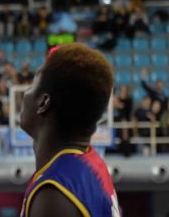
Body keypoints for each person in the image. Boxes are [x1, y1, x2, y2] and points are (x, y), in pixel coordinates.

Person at [19, 43, 119, 217]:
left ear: (43, 103)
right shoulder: (90, 164)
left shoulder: (54, 195)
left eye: (33, 85)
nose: (25, 93)